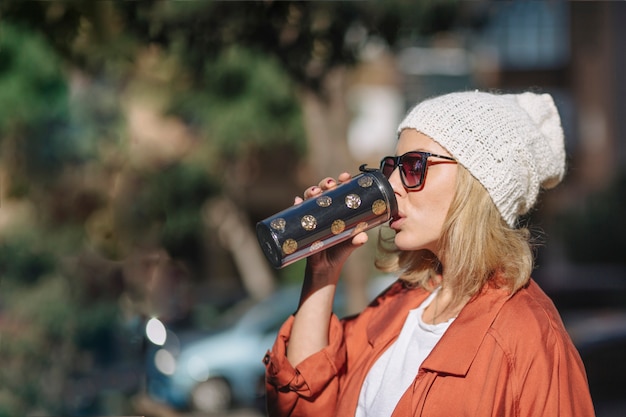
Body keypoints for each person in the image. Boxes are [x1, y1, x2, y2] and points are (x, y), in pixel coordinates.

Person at [262, 90, 596, 417]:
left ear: (477, 183)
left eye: (413, 166)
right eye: (392, 166)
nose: (391, 185)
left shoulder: (528, 336)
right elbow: (303, 404)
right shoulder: (397, 306)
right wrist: (322, 271)